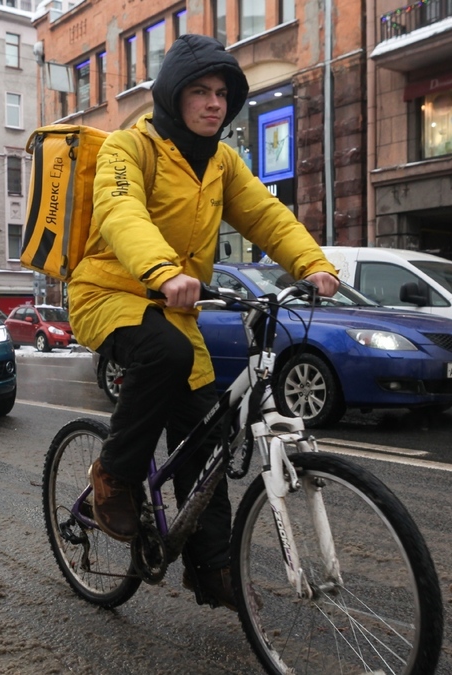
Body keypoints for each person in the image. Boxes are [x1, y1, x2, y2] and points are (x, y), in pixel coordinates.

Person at [67, 34, 340, 610]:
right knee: (164, 356)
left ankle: (213, 570)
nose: (214, 103)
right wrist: (164, 270)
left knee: (207, 439)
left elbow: (266, 215)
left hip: (173, 306)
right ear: (173, 95)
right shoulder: (128, 148)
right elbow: (121, 212)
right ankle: (111, 480)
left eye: (222, 93)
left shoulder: (222, 161)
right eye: (200, 91)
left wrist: (313, 265)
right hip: (108, 293)